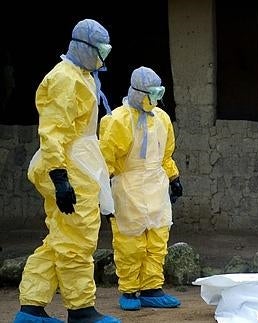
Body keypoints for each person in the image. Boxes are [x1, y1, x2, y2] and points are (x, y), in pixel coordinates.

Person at [15, 19, 119, 323]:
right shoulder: (65, 78)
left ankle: (31, 308)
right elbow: (53, 131)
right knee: (77, 241)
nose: (103, 55)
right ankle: (81, 309)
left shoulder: (82, 75)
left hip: (78, 161)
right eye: (100, 49)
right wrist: (60, 177)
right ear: (84, 47)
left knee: (60, 239)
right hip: (69, 164)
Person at [99, 66, 183, 311]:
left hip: (156, 184)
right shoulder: (117, 120)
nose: (156, 99)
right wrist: (103, 196)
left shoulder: (163, 119)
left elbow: (166, 155)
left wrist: (174, 178)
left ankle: (151, 288)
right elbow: (107, 161)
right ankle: (129, 289)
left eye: (159, 93)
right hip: (128, 186)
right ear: (138, 92)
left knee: (158, 239)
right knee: (130, 243)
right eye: (152, 93)